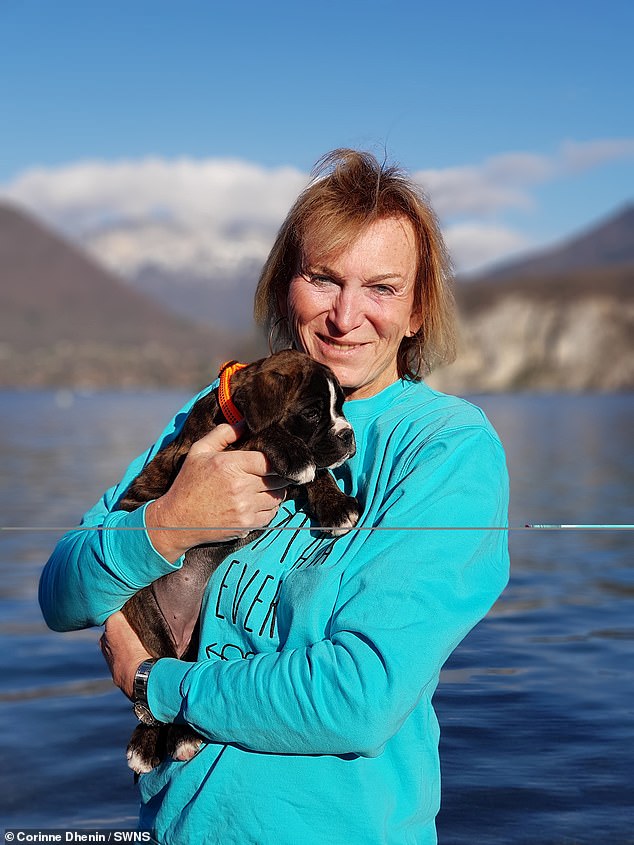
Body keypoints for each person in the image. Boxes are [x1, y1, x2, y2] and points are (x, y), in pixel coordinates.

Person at [39, 149, 509, 844]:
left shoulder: (445, 447)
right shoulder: (226, 407)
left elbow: (358, 695)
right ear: (288, 284)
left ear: (417, 312)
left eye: (381, 288)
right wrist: (165, 527)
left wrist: (154, 683)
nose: (346, 316)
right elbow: (61, 593)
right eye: (323, 277)